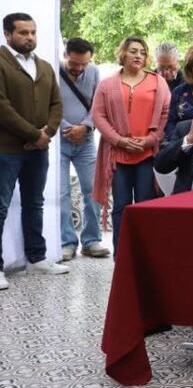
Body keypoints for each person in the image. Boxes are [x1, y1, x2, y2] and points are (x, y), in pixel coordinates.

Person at [0, 12, 68, 288]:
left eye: (33, 32)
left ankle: (37, 258)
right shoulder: (2, 63)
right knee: (1, 206)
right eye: (23, 33)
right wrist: (33, 134)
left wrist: (46, 134)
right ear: (8, 35)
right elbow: (2, 107)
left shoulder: (45, 66)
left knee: (34, 203)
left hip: (38, 150)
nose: (29, 37)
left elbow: (56, 104)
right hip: (7, 149)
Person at [91, 37, 172, 254]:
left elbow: (165, 114)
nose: (138, 56)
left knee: (145, 205)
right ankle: (121, 255)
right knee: (122, 207)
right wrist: (119, 140)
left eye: (143, 53)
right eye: (133, 51)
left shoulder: (158, 82)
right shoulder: (107, 85)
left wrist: (150, 140)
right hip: (117, 156)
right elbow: (98, 115)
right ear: (123, 54)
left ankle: (146, 254)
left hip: (146, 154)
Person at [57, 37, 107, 261]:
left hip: (86, 141)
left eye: (83, 64)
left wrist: (86, 127)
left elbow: (98, 105)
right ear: (66, 55)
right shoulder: (53, 70)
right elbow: (49, 106)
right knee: (62, 191)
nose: (78, 69)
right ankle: (66, 242)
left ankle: (91, 240)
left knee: (92, 190)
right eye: (74, 63)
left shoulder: (94, 72)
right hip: (59, 141)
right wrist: (68, 129)